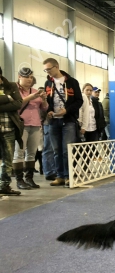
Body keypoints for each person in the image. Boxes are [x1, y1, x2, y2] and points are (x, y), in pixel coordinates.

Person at [43, 57, 83, 187]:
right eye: (45, 70)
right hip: (53, 121)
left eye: (49, 69)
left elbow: (79, 101)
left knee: (67, 150)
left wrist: (66, 111)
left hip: (68, 121)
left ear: (57, 66)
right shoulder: (48, 83)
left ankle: (68, 176)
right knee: (56, 150)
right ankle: (59, 175)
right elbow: (48, 102)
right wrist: (49, 110)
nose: (47, 72)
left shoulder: (72, 82)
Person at [13, 68, 48, 189]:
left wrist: (43, 99)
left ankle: (29, 178)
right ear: (19, 77)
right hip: (21, 125)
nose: (29, 79)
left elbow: (44, 108)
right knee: (19, 153)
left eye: (31, 77)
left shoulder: (35, 91)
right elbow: (15, 104)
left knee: (32, 153)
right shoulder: (14, 90)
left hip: (36, 124)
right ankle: (19, 180)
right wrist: (30, 98)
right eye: (26, 77)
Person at [0, 66, 24, 196]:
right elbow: (13, 102)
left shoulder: (12, 86)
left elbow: (18, 103)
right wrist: (8, 98)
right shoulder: (10, 92)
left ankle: (4, 186)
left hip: (9, 128)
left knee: (8, 160)